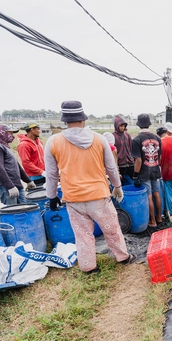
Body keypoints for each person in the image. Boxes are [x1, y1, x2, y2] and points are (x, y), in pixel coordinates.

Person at [44, 100, 136, 274]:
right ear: (83, 118)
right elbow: (111, 167)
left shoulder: (53, 142)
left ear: (65, 120)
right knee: (112, 229)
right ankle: (123, 257)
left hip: (73, 198)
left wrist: (51, 196)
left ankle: (89, 267)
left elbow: (51, 174)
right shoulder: (99, 139)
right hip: (99, 195)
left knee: (83, 234)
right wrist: (117, 186)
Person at [0, 124, 35, 205]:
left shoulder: (5, 146)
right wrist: (10, 186)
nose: (12, 136)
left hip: (16, 185)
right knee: (13, 213)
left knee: (24, 210)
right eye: (10, 133)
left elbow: (17, 166)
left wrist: (28, 181)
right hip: (5, 186)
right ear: (2, 133)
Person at [131, 114, 162, 228]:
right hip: (155, 170)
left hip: (144, 172)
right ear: (149, 124)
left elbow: (138, 160)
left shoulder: (136, 140)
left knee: (148, 196)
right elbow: (160, 157)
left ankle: (152, 221)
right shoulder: (157, 138)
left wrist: (135, 175)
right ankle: (159, 217)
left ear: (139, 125)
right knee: (157, 194)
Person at [113, 115, 135, 185]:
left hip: (130, 163)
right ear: (116, 126)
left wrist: (132, 158)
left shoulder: (127, 135)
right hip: (120, 164)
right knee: (120, 183)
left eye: (124, 126)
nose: (122, 127)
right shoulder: (113, 136)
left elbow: (131, 148)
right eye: (121, 126)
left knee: (131, 182)